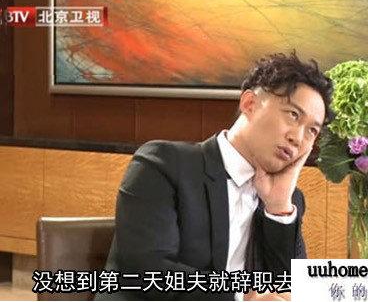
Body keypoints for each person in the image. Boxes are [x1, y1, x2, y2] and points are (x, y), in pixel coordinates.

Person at [103, 51, 332, 298]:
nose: (298, 138)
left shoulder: (288, 201)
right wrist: (240, 298)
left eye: (312, 131)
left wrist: (278, 209)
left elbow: (290, 290)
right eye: (293, 115)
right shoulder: (163, 164)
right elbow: (147, 272)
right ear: (249, 104)